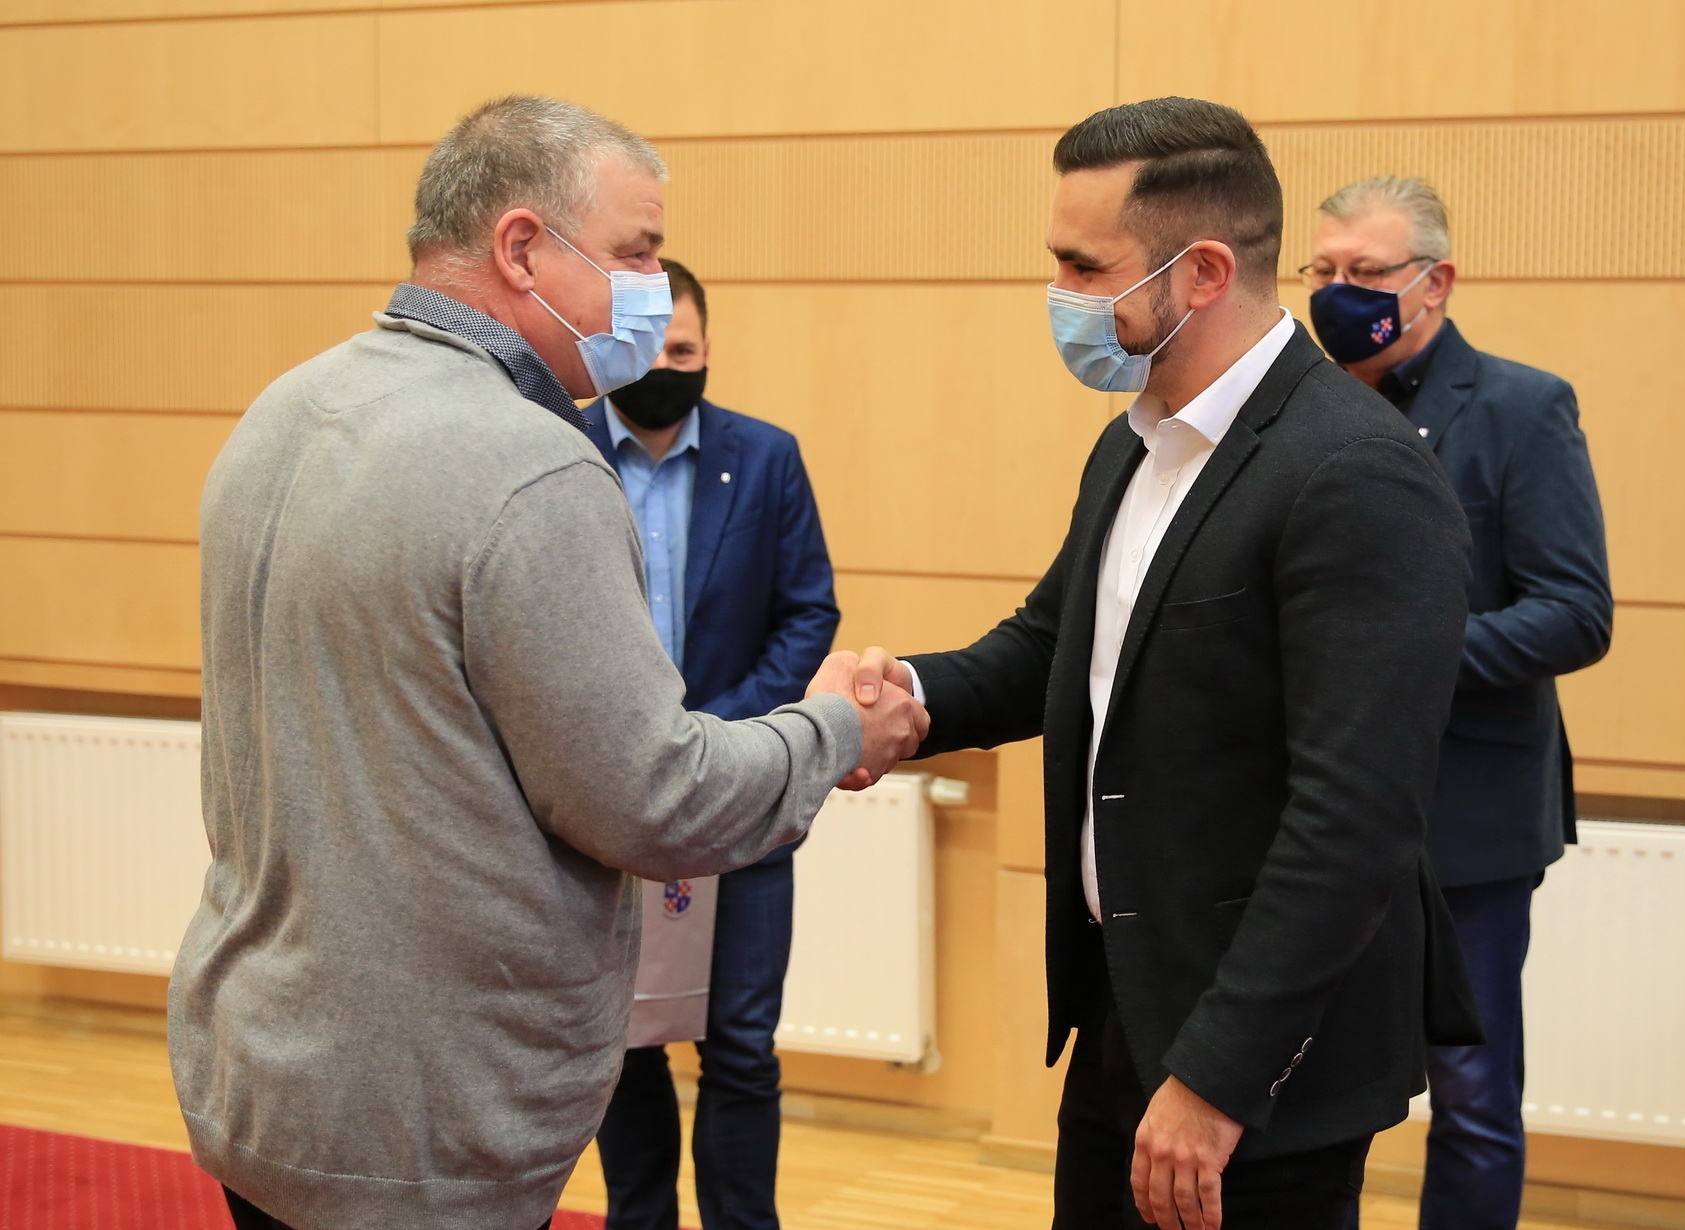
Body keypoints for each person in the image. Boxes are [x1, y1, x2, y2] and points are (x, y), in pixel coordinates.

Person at [170, 95, 925, 1230]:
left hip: (263, 1070)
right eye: (638, 252)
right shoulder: (534, 466)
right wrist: (835, 730)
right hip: (421, 1113)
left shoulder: (288, 406)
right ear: (522, 247)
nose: (655, 290)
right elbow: (657, 802)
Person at [845, 97, 1483, 1230]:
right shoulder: (1135, 441)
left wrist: (1220, 1077)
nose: (1059, 295)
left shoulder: (1355, 473)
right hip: (1125, 1009)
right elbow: (1056, 644)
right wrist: (906, 700)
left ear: (1201, 273)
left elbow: (1355, 816)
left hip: (1254, 1061)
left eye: (1084, 267)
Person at [1305, 176, 1611, 1230]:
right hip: (1318, 806)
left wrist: (1405, 658)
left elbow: (1575, 613)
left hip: (1469, 817)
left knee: (1473, 1096)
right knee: (1294, 1078)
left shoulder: (1523, 408)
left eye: (1366, 272)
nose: (1338, 291)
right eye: (1322, 270)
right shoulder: (1296, 406)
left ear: (1435, 282)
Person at [581, 259, 836, 1230]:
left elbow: (808, 615)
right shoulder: (559, 452)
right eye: (646, 350)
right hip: (609, 803)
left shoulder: (766, 457)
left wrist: (715, 733)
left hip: (743, 795)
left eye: (681, 350)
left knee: (740, 1047)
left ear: (707, 350)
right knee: (625, 1044)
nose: (664, 367)